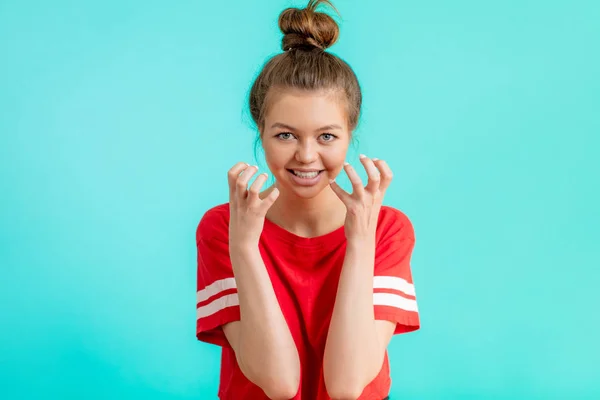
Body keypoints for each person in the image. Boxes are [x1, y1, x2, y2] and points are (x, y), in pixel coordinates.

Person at [195, 1, 419, 398]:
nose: (306, 155)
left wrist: (360, 241)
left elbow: (347, 386)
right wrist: (245, 246)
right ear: (260, 133)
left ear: (351, 135)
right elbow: (279, 384)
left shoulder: (387, 229)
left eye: (327, 136)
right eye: (285, 135)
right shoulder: (224, 227)